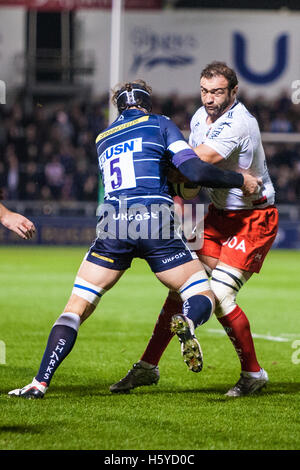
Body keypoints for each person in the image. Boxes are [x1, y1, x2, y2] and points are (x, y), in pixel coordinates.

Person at [8, 80, 259, 399]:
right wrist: (239, 180)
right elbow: (194, 171)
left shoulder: (102, 137)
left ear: (119, 106)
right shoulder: (160, 123)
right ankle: (188, 321)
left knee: (75, 307)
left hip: (113, 223)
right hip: (153, 218)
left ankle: (39, 382)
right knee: (201, 293)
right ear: (146, 103)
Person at [110, 63, 278, 397]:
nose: (210, 98)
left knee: (221, 295)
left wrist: (144, 159)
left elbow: (195, 165)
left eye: (217, 92)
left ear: (233, 92)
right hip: (217, 215)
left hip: (253, 218)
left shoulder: (240, 123)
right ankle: (148, 367)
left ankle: (253, 374)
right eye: (205, 91)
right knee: (182, 287)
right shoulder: (200, 117)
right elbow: (187, 174)